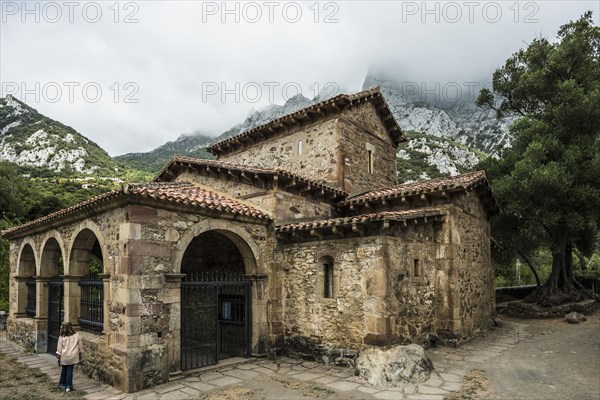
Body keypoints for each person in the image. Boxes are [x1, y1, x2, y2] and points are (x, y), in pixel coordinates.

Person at [56, 322, 83, 392]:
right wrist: (80, 352)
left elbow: (59, 348)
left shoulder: (62, 337)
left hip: (65, 356)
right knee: (69, 371)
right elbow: (80, 344)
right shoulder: (76, 335)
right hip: (73, 356)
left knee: (64, 369)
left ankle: (62, 383)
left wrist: (58, 355)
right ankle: (68, 386)